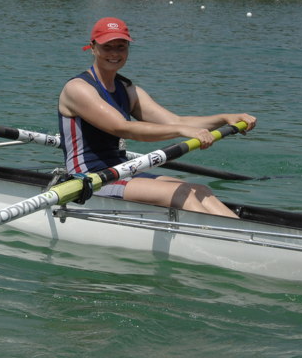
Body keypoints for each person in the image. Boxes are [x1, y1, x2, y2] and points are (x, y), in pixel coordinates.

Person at [58, 17, 255, 218]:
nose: (115, 53)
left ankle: (241, 237)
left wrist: (225, 118)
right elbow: (121, 128)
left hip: (123, 170)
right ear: (93, 47)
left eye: (121, 46)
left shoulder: (127, 89)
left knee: (200, 190)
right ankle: (225, 239)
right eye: (107, 47)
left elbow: (176, 121)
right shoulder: (78, 89)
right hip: (90, 177)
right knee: (183, 193)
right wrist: (180, 132)